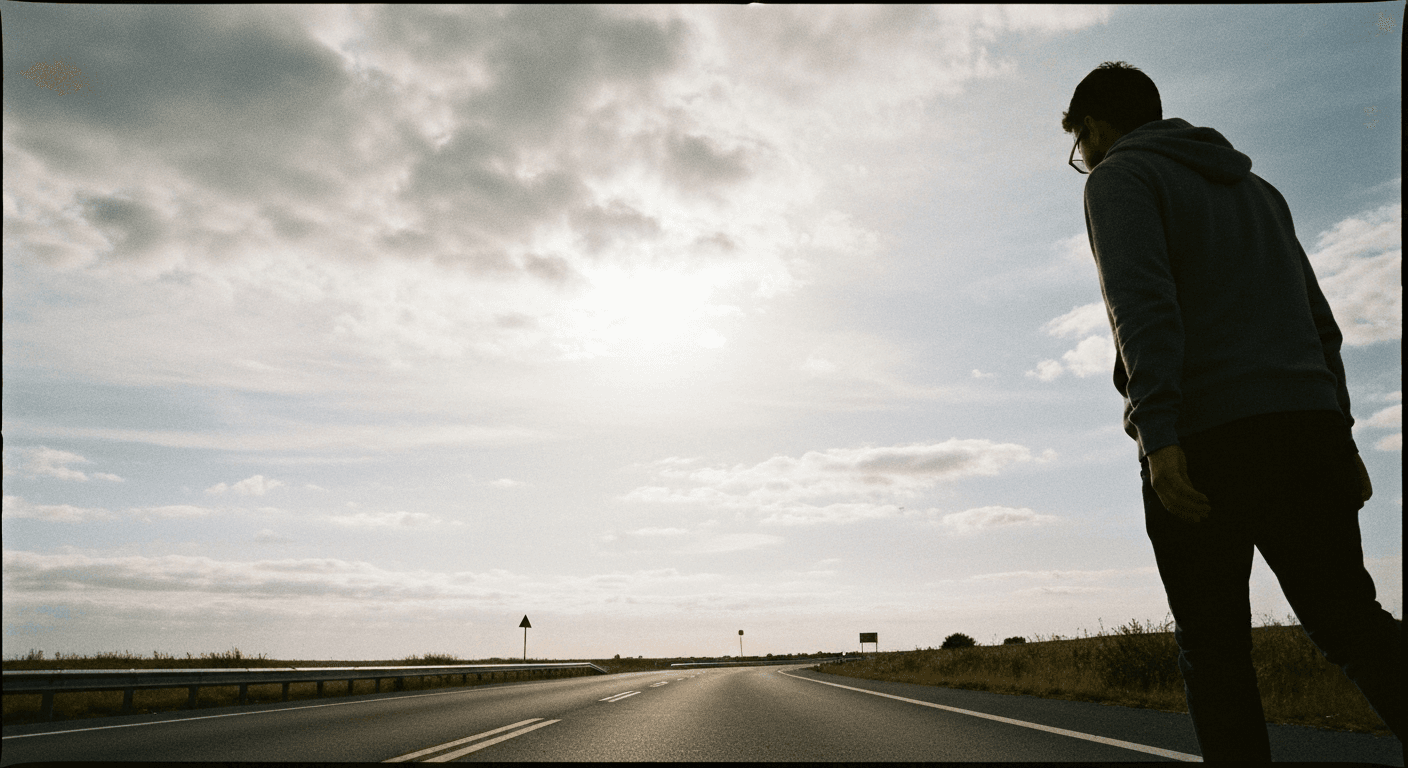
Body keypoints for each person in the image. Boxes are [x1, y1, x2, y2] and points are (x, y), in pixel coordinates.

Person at [1063, 61, 1402, 761]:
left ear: (1095, 127)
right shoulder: (1258, 189)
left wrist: (1160, 436)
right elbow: (1320, 322)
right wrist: (1341, 437)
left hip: (1208, 435)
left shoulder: (1120, 178)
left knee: (1215, 650)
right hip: (1306, 430)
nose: (1084, 159)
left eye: (1080, 144)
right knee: (1351, 621)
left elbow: (1143, 304)